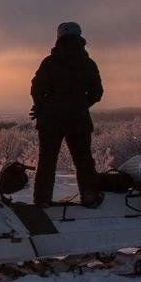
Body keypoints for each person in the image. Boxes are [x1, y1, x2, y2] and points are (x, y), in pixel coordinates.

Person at [30, 21, 103, 207]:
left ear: (59, 38)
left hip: (51, 121)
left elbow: (37, 88)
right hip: (79, 120)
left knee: (47, 161)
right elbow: (97, 92)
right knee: (84, 161)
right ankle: (90, 197)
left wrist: (41, 106)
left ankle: (42, 201)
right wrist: (81, 105)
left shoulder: (49, 63)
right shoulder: (88, 64)